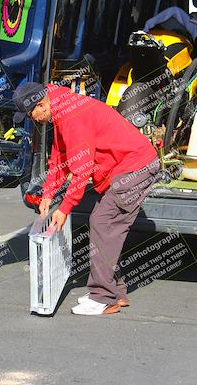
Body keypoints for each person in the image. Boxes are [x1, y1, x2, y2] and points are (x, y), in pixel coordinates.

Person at [13, 81, 161, 316]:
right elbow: (59, 159)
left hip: (135, 168)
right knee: (107, 227)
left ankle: (103, 297)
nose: (33, 120)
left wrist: (65, 208)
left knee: (102, 223)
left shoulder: (72, 116)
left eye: (31, 116)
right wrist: (48, 195)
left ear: (41, 104)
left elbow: (81, 169)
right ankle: (115, 292)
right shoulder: (60, 109)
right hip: (126, 168)